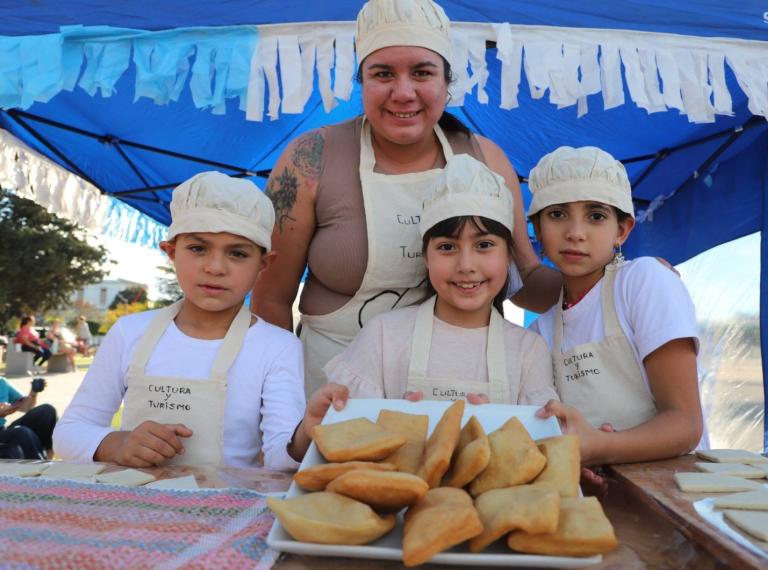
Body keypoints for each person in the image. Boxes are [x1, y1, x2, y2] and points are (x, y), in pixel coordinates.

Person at [251, 0, 560, 397]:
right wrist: (282, 406)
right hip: (331, 391)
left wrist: (615, 285)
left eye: (421, 72)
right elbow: (271, 298)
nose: (403, 92)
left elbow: (524, 279)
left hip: (461, 390)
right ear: (361, 82)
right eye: (383, 74)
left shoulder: (486, 160)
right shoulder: (310, 159)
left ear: (447, 83)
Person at [54, 172, 324, 470]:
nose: (215, 267)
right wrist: (116, 444)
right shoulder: (129, 332)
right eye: (198, 248)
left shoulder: (277, 346)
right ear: (170, 251)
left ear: (264, 264)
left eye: (237, 253)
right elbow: (69, 432)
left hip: (227, 508)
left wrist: (306, 434)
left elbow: (279, 456)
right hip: (132, 503)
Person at [324, 155, 558, 405]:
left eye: (484, 245)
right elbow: (349, 429)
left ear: (508, 255)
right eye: (447, 247)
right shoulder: (383, 337)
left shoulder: (529, 351)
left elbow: (539, 439)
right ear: (426, 256)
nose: (466, 266)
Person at [523, 146, 703, 468]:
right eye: (557, 214)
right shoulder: (540, 331)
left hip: (675, 489)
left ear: (622, 230)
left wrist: (601, 445)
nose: (575, 233)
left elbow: (686, 424)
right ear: (537, 229)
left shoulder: (644, 282)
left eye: (596, 216)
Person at [0, 376, 56, 459]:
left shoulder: (2, 382)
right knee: (21, 432)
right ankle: (39, 468)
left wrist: (33, 393)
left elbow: (25, 407)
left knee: (46, 411)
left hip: (2, 431)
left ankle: (48, 457)